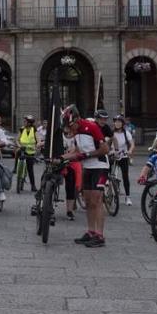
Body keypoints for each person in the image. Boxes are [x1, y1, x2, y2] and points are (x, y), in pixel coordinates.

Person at [59, 105, 110, 248]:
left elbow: (105, 149)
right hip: (87, 167)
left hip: (100, 167)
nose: (70, 129)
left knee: (96, 200)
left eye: (71, 125)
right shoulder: (76, 132)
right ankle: (91, 231)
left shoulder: (91, 126)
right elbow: (76, 151)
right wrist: (60, 158)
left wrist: (86, 155)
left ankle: (100, 236)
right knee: (87, 201)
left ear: (76, 119)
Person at [111, 115, 135, 206]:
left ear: (123, 123)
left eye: (119, 122)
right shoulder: (111, 132)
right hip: (113, 156)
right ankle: (109, 192)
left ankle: (127, 197)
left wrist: (130, 151)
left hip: (123, 156)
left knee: (125, 177)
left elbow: (132, 144)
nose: (117, 123)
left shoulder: (126, 133)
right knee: (109, 175)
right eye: (116, 122)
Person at [61, 125, 83, 220]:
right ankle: (47, 203)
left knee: (71, 186)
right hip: (59, 162)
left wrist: (70, 154)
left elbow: (78, 150)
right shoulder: (59, 136)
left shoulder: (77, 138)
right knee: (51, 180)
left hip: (72, 163)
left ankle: (69, 210)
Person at [17, 115, 39, 191]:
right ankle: (15, 167)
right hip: (22, 150)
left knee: (30, 169)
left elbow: (38, 140)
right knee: (17, 152)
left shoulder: (34, 130)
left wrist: (37, 146)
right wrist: (19, 145)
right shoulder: (21, 129)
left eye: (25, 121)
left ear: (29, 123)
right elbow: (17, 140)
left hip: (30, 151)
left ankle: (33, 186)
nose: (24, 122)